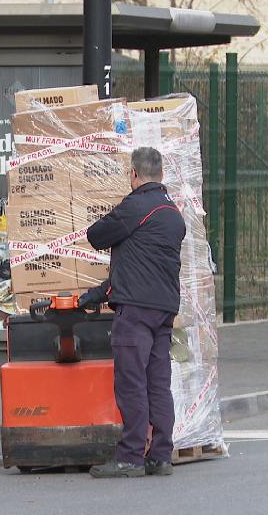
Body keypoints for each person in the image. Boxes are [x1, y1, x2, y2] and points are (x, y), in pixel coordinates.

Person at [82, 146, 186, 478]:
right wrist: (99, 293)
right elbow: (141, 263)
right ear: (162, 174)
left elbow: (96, 236)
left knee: (131, 383)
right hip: (164, 310)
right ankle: (161, 457)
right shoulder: (173, 213)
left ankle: (129, 457)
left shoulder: (135, 206)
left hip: (136, 312)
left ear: (133, 174)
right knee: (158, 384)